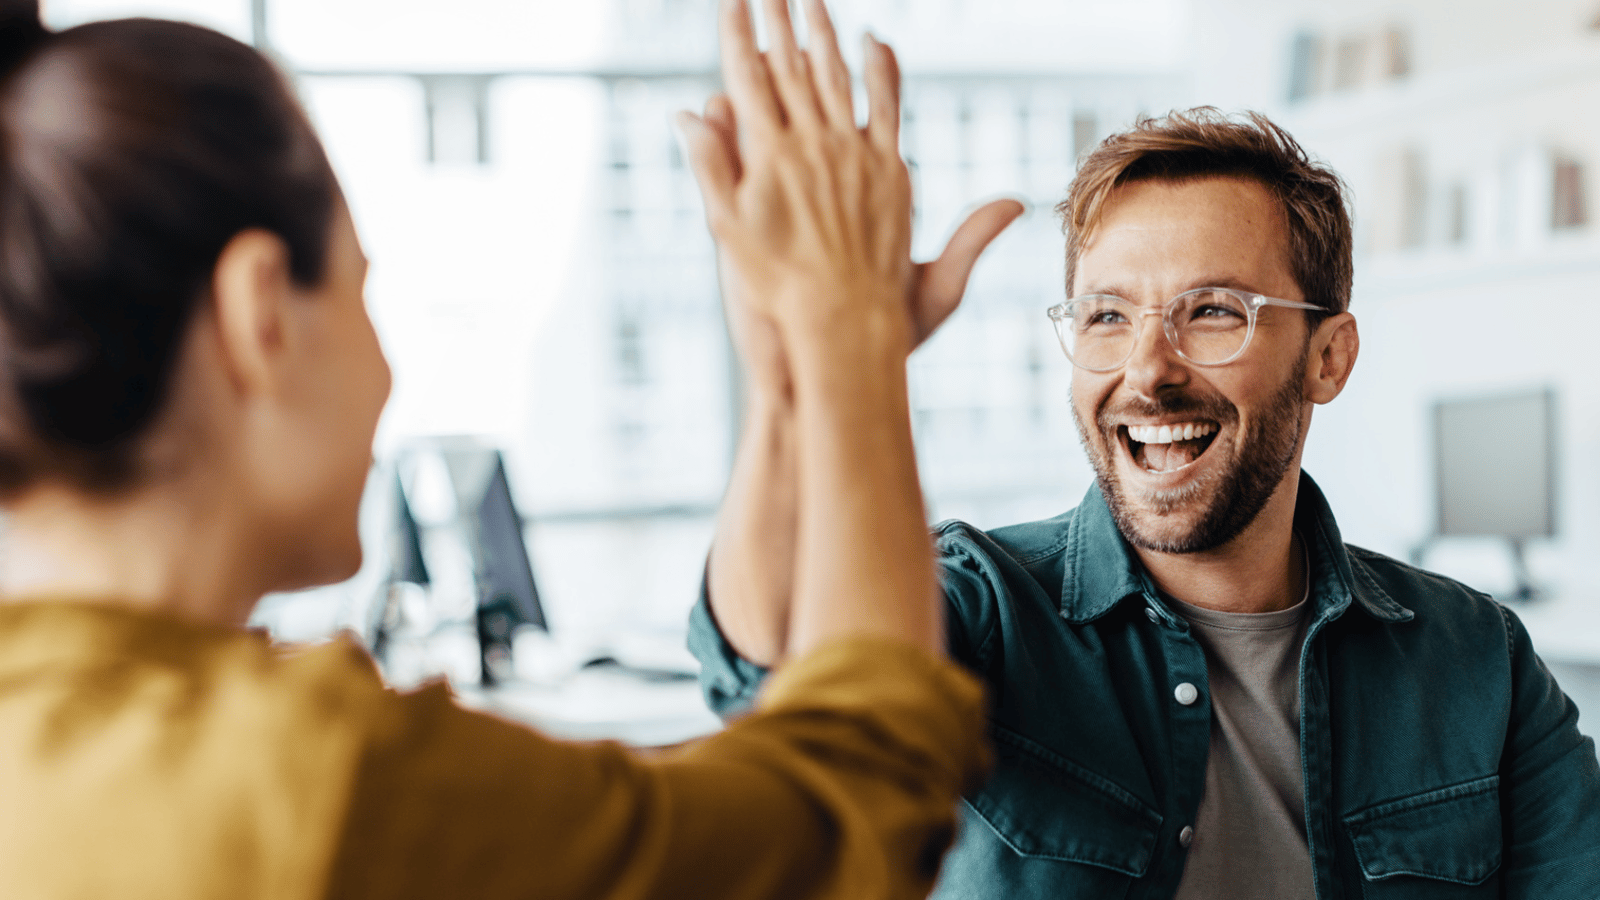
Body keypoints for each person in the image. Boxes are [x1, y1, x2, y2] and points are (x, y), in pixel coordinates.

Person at [0, 0, 1020, 896]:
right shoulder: (299, 780)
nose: (390, 372)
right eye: (362, 289)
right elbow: (850, 817)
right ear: (259, 314)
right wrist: (849, 331)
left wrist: (799, 382)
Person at [690, 103, 1600, 895]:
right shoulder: (982, 608)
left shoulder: (1480, 663)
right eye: (1107, 316)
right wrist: (798, 380)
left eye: (1212, 311)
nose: (1147, 373)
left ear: (1329, 358)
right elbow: (770, 666)